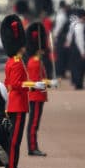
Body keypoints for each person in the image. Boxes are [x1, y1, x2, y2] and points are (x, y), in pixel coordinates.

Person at [1, 15, 30, 168]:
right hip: (18, 105)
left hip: (12, 102)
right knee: (15, 140)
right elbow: (17, 83)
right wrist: (33, 85)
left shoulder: (11, 61)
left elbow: (8, 83)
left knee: (12, 139)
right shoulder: (18, 63)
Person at [25, 22, 51, 157]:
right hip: (36, 96)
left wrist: (50, 82)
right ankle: (32, 147)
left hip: (39, 96)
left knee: (35, 123)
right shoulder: (34, 62)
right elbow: (35, 82)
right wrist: (45, 83)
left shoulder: (37, 61)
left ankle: (33, 146)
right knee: (34, 123)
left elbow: (41, 79)